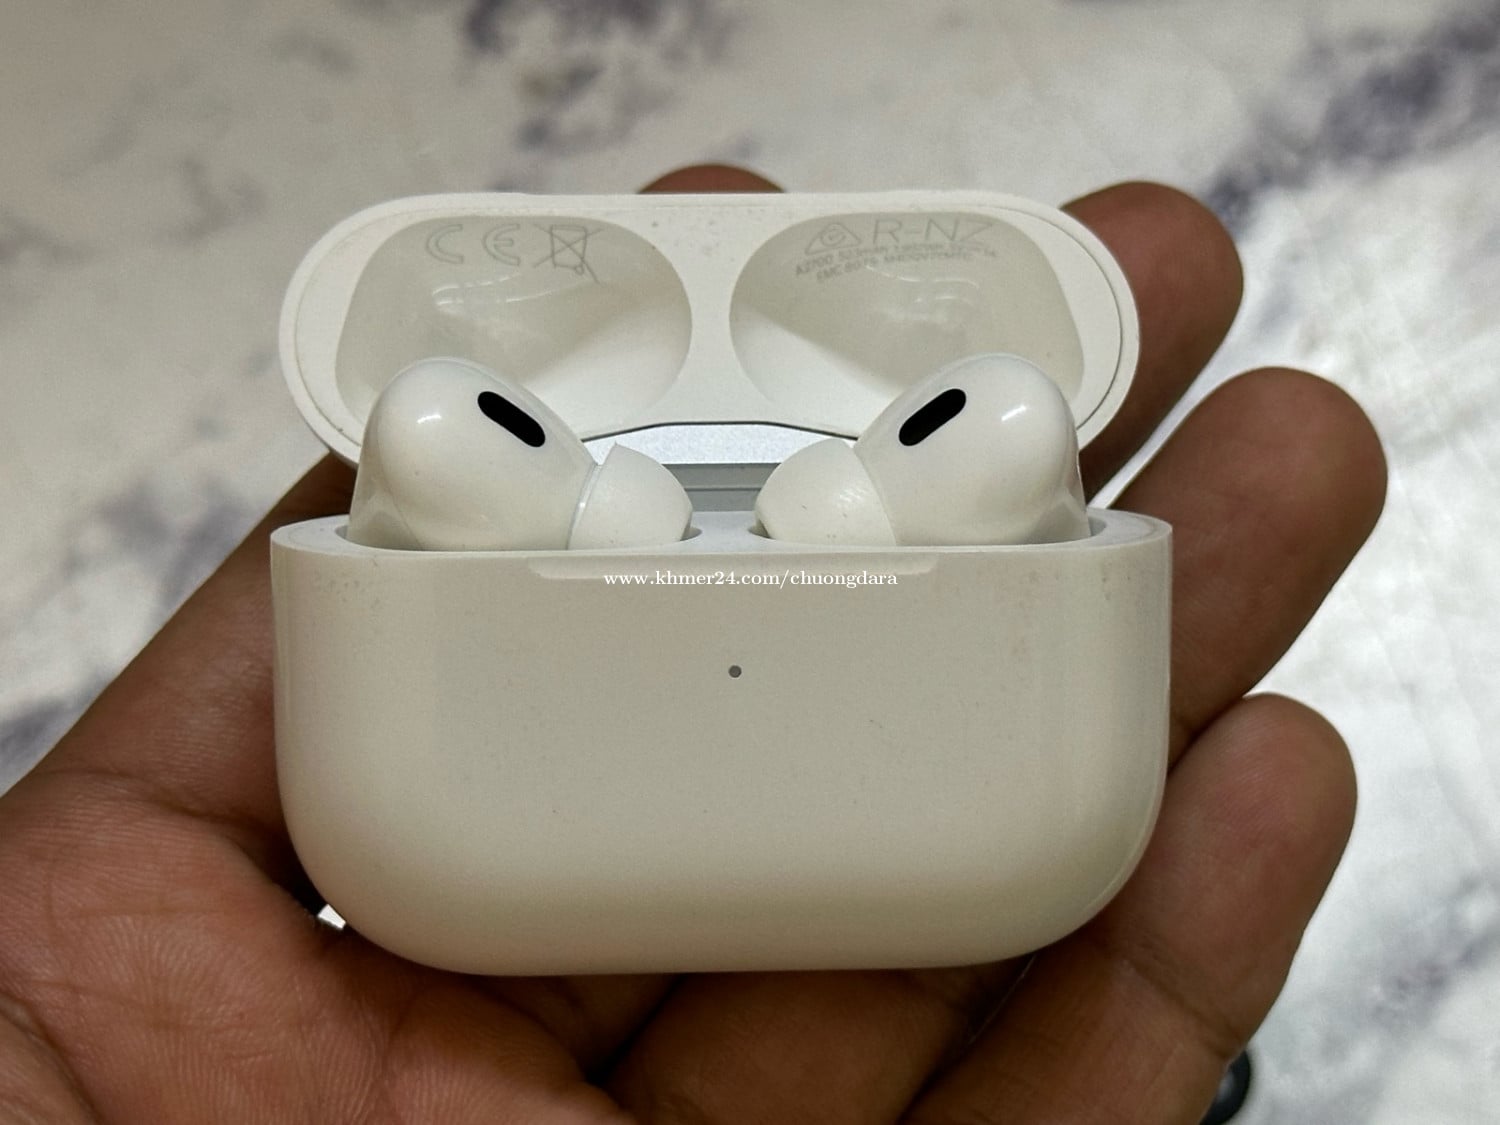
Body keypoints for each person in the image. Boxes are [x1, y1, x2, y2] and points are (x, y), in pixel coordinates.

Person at [0, 165, 1385, 1123]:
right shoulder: (1015, 838)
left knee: (440, 427)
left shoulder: (438, 864)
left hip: (474, 875)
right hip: (970, 850)